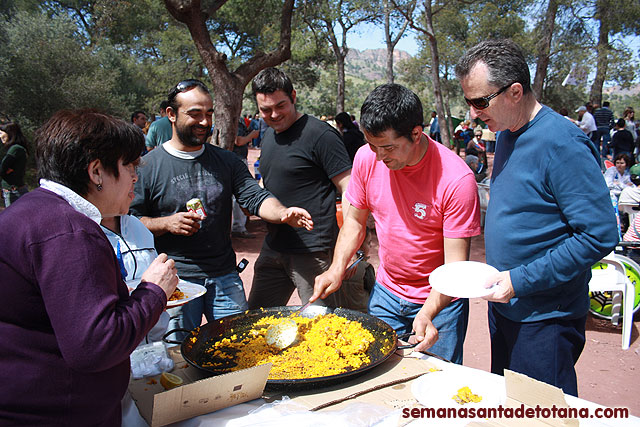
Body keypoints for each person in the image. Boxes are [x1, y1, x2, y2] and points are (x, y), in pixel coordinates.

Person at [455, 39, 618, 396]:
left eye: (480, 101)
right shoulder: (508, 132)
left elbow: (599, 234)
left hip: (546, 318)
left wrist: (521, 280)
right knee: (511, 409)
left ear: (515, 91)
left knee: (541, 414)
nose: (473, 113)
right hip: (506, 306)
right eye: (468, 102)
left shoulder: (563, 143)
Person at [0, 109, 178, 425]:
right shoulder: (71, 231)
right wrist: (153, 291)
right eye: (130, 166)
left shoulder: (32, 211)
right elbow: (96, 346)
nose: (136, 177)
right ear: (97, 171)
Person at [312, 83, 481, 364]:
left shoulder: (456, 180)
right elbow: (354, 222)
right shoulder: (367, 158)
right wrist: (335, 269)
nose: (379, 156)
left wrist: (427, 312)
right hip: (386, 294)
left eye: (388, 147)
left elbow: (454, 268)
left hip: (441, 303)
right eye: (372, 145)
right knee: (377, 375)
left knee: (435, 385)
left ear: (416, 134)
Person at [129, 79, 312, 336]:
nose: (205, 122)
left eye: (209, 113)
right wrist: (165, 223)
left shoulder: (226, 161)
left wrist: (282, 213)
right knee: (177, 356)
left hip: (225, 276)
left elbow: (255, 197)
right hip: (175, 281)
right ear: (171, 114)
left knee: (239, 346)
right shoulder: (147, 168)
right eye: (195, 114)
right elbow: (130, 222)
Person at [248, 67, 352, 309]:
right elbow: (271, 181)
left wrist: (349, 248)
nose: (273, 114)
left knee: (323, 328)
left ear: (293, 96)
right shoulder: (269, 136)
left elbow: (349, 190)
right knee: (256, 322)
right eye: (265, 109)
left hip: (313, 252)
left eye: (280, 105)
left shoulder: (320, 134)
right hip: (273, 246)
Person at [231, 115, 260, 238]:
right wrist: (252, 136)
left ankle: (240, 225)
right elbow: (238, 141)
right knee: (239, 194)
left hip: (239, 158)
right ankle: (238, 226)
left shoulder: (239, 120)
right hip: (237, 159)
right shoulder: (236, 121)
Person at [0, 122, 29, 206]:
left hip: (14, 192)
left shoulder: (15, 149)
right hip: (13, 190)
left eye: (1, 133)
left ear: (10, 133)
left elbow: (2, 169)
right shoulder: (16, 148)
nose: (0, 136)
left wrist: (5, 171)